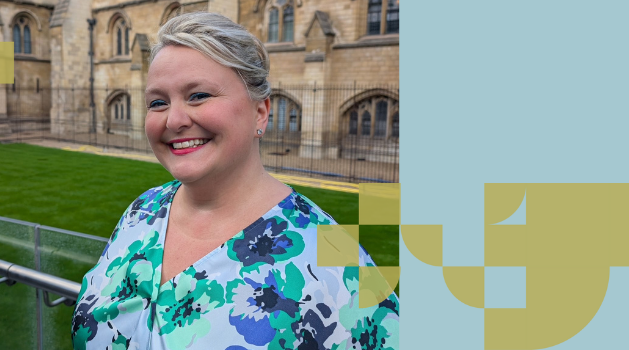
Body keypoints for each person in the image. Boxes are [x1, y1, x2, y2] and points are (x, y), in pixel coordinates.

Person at [72, 12, 398, 350]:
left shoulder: (337, 259)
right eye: (158, 102)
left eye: (198, 95)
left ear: (260, 112)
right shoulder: (142, 211)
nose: (174, 119)